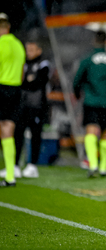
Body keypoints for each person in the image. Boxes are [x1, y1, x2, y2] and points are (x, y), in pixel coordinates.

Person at [73, 30, 106, 178]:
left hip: (91, 100)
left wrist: (77, 93)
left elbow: (77, 79)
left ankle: (92, 164)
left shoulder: (87, 59)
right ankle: (103, 168)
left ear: (94, 41)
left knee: (91, 130)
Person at [1, 40, 51, 178]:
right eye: (27, 49)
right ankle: (15, 165)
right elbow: (22, 81)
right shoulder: (22, 64)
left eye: (31, 50)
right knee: (17, 134)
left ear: (39, 51)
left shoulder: (43, 64)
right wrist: (28, 81)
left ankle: (32, 165)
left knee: (35, 135)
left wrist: (28, 81)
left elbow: (38, 82)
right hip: (21, 105)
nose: (28, 53)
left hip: (37, 107)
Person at [0, 13, 26, 187]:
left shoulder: (1, 44)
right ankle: (10, 174)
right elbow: (22, 72)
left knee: (4, 131)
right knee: (8, 131)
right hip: (16, 90)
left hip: (1, 87)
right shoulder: (18, 45)